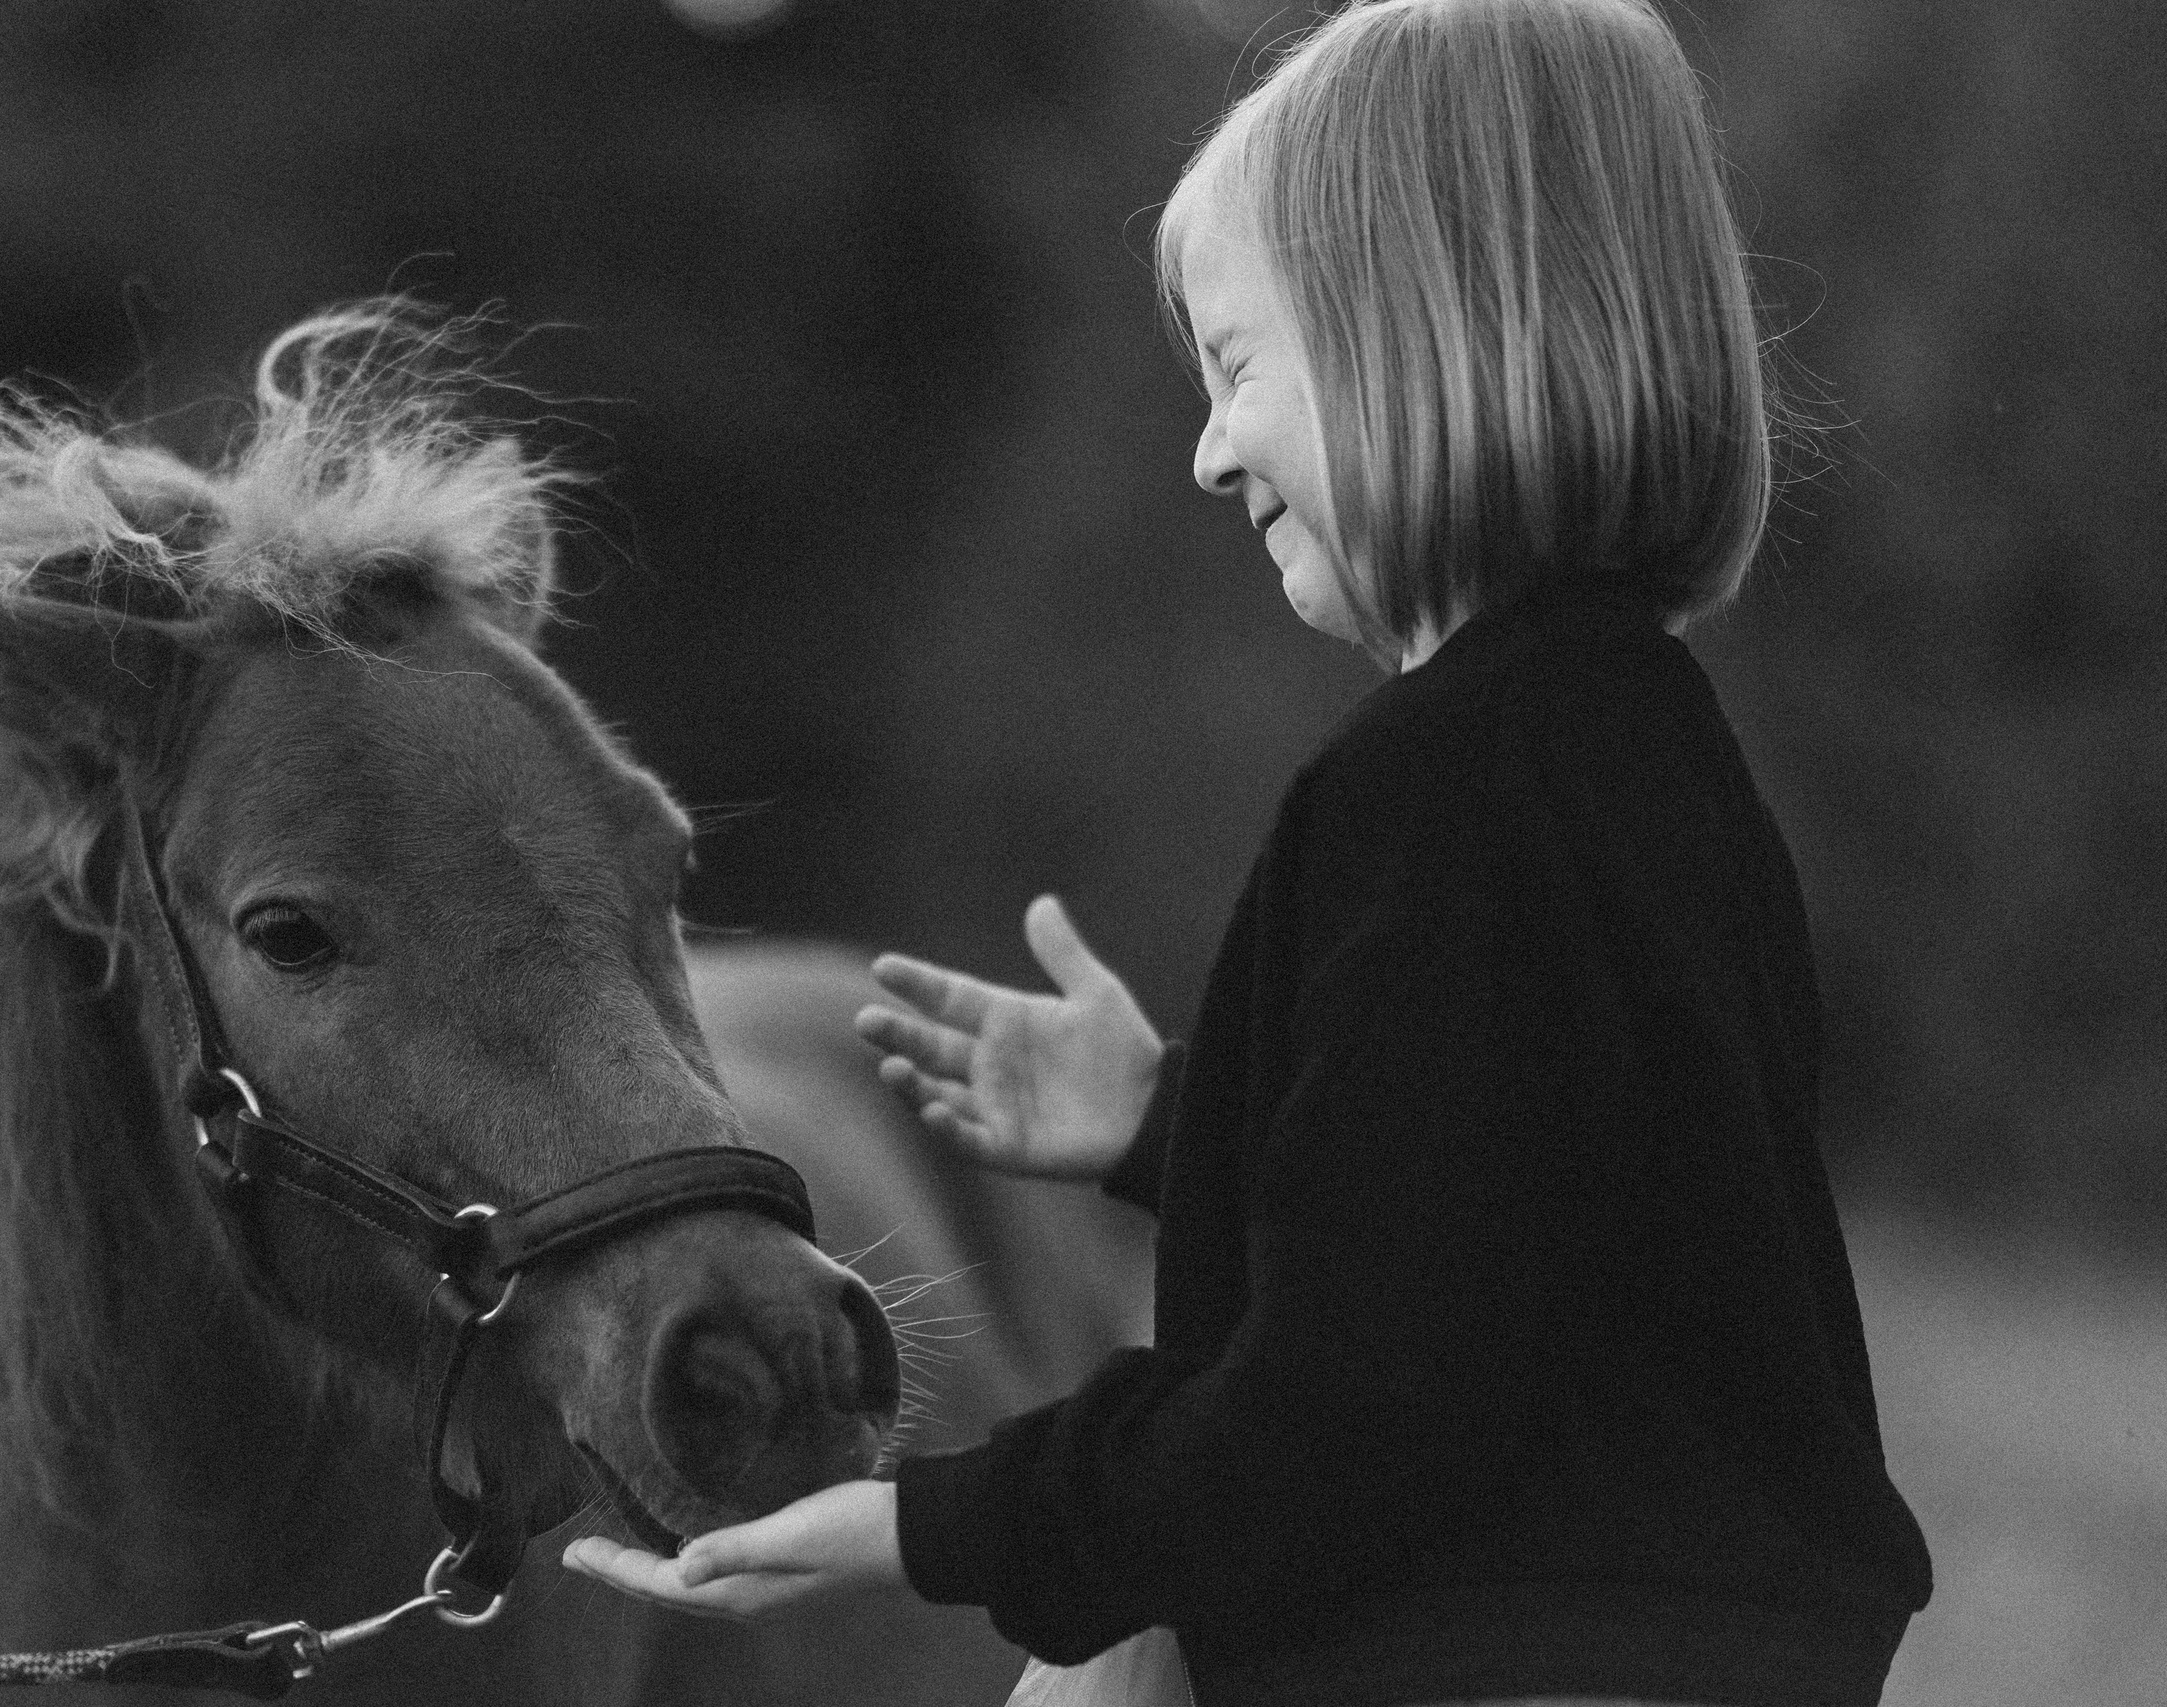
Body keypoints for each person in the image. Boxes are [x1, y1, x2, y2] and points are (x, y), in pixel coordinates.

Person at [565, 1, 1935, 1701]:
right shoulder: (1639, 749)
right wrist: (1176, 1121)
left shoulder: (1448, 787)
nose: (1211, 454)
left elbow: (1343, 1418)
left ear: (1419, 331)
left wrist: (939, 1525)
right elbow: (1515, 1221)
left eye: (1235, 369)